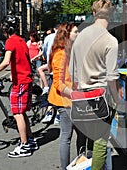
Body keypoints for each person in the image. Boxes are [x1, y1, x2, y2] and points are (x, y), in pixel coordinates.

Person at [69, 0, 120, 170]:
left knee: (88, 139)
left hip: (81, 96)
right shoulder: (110, 41)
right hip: (101, 97)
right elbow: (112, 77)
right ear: (111, 16)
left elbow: (72, 72)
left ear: (93, 13)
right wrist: (117, 100)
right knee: (100, 142)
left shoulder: (80, 36)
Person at [0, 15, 38, 157]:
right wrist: (12, 75)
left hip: (21, 82)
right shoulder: (22, 40)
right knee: (22, 113)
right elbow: (23, 62)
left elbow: (5, 61)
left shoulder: (10, 41)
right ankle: (30, 139)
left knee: (17, 113)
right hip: (25, 80)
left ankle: (24, 145)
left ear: (6, 29)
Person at [47, 22, 86, 170]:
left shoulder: (72, 51)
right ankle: (65, 167)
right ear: (67, 35)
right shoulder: (60, 54)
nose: (79, 34)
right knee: (66, 135)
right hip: (65, 101)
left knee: (82, 134)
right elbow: (58, 83)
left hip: (76, 99)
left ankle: (80, 163)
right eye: (76, 32)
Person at [39, 24, 60, 125]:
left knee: (52, 93)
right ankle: (58, 114)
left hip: (52, 69)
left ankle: (50, 113)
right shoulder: (66, 38)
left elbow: (44, 51)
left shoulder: (48, 38)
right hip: (62, 70)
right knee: (60, 93)